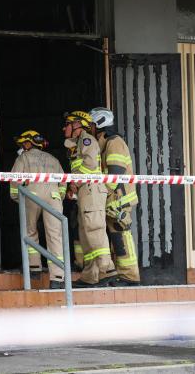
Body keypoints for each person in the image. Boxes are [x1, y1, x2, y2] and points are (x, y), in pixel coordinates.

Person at [63, 111, 118, 287]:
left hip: (91, 190)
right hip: (85, 191)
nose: (65, 128)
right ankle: (90, 275)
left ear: (78, 125)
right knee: (85, 233)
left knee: (94, 228)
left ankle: (107, 268)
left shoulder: (87, 141)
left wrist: (75, 183)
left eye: (68, 124)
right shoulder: (77, 144)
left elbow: (90, 167)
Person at [89, 107, 140, 286]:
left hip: (119, 199)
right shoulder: (104, 143)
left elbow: (116, 174)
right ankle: (122, 275)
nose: (91, 129)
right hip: (113, 198)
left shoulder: (114, 142)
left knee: (121, 236)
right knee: (115, 238)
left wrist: (105, 195)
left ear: (100, 124)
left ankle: (130, 277)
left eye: (92, 125)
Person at [9, 130, 67, 289]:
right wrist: (58, 197)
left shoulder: (23, 157)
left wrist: (17, 198)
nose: (22, 146)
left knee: (30, 231)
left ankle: (34, 268)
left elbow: (15, 180)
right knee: (55, 235)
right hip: (54, 197)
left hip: (31, 195)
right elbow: (63, 182)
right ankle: (57, 277)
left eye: (23, 143)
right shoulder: (53, 159)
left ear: (29, 143)